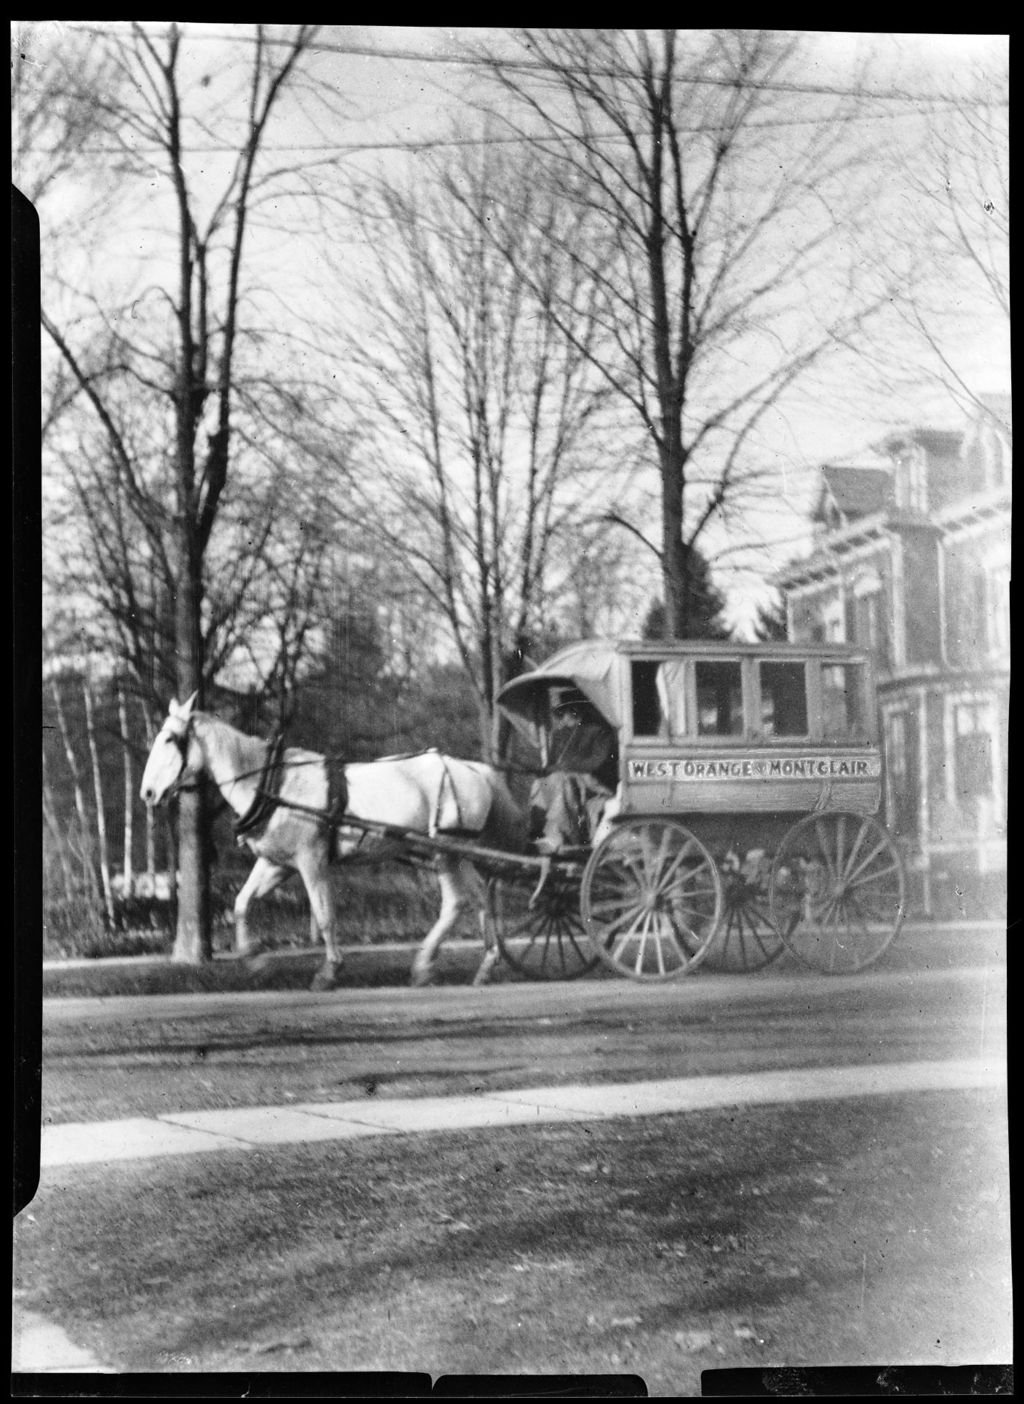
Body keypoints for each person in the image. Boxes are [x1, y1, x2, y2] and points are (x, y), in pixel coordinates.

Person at [529, 690, 618, 853]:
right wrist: (543, 771)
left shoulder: (598, 731)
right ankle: (536, 832)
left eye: (572, 710)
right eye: (564, 711)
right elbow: (552, 765)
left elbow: (598, 762)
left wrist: (568, 767)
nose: (567, 716)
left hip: (594, 785)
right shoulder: (558, 735)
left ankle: (560, 834)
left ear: (580, 710)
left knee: (564, 781)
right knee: (540, 783)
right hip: (561, 780)